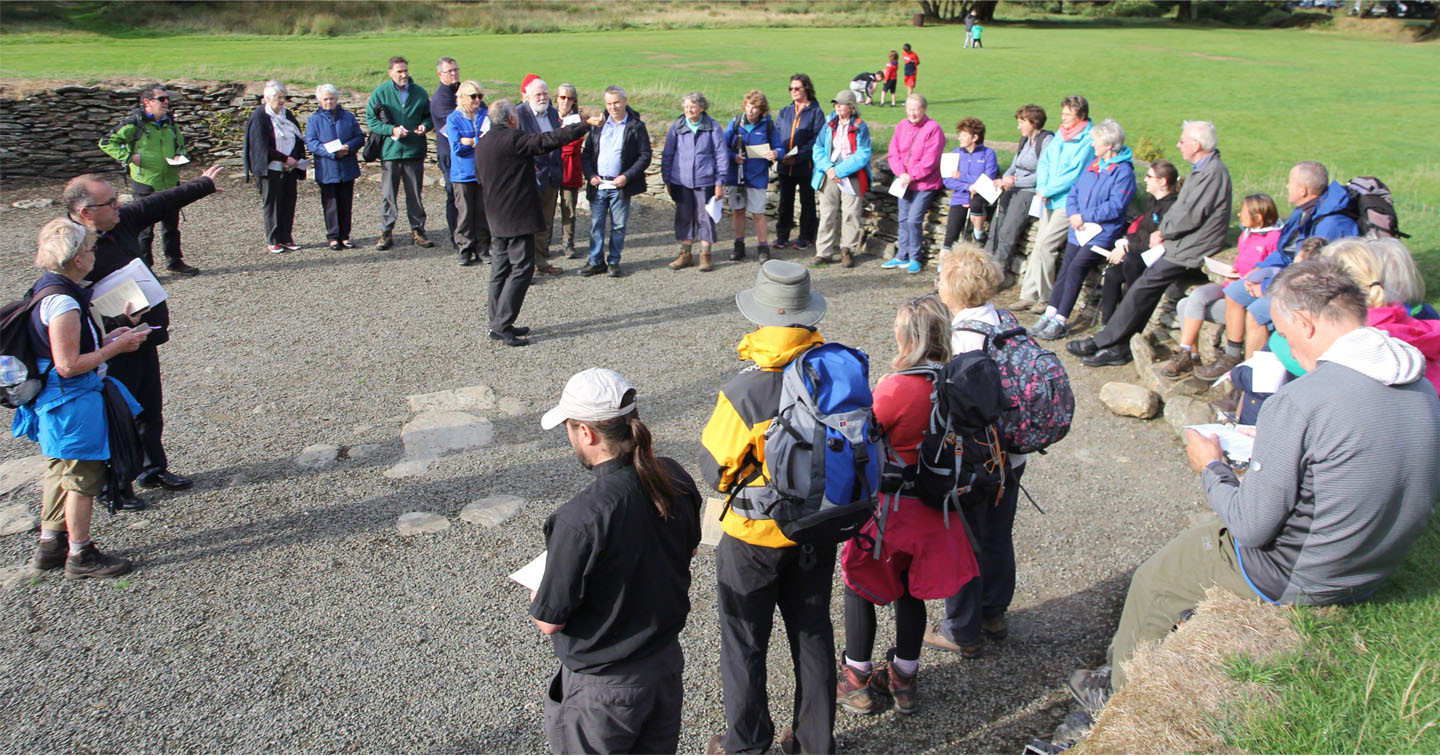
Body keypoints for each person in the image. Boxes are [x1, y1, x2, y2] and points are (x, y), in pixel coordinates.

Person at [1067, 260, 1440, 711]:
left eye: (1283, 331)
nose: (1283, 343)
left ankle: (1116, 692)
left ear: (1305, 322)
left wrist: (1212, 467)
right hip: (1374, 566)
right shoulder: (1419, 386)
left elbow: (1251, 527)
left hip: (1303, 577)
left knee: (1157, 577)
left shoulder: (1303, 400)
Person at [700, 259, 837, 755]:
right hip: (818, 526)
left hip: (754, 538)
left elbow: (715, 469)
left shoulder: (744, 390)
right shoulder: (834, 373)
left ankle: (747, 744)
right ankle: (815, 743)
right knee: (813, 633)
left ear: (760, 320)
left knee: (744, 641)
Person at [532, 368, 702, 754]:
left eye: (570, 428)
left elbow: (549, 621)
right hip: (663, 664)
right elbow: (689, 547)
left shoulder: (579, 519)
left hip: (604, 688)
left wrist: (537, 589)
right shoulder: (673, 476)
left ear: (587, 433)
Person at [836, 294, 981, 717]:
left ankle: (856, 679)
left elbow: (865, 432)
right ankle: (904, 678)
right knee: (911, 592)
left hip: (893, 511)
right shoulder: (956, 383)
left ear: (908, 336)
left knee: (858, 582)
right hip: (938, 512)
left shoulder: (899, 387)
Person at [63, 167, 224, 505]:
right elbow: (66, 309)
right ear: (86, 213)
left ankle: (152, 468)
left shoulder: (118, 223)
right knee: (114, 414)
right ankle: (114, 484)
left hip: (141, 337)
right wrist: (114, 324)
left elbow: (161, 201)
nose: (119, 205)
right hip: (108, 349)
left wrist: (204, 185)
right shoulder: (69, 250)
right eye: (110, 202)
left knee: (149, 408)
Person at [15, 219, 149, 579]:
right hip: (72, 404)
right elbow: (69, 365)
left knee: (60, 471)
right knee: (83, 479)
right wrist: (118, 347)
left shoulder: (49, 288)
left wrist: (108, 338)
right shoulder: (63, 304)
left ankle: (50, 544)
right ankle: (80, 555)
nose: (94, 254)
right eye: (89, 249)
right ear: (76, 259)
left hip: (59, 402)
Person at [924, 245, 1030, 660]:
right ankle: (993, 612)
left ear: (952, 287)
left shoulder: (963, 337)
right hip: (1012, 454)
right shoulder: (1004, 321)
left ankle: (960, 629)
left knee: (965, 540)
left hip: (978, 460)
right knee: (998, 534)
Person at [1068, 120, 1231, 367]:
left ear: (1196, 145)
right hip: (1180, 243)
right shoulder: (1202, 170)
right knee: (1141, 287)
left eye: (1183, 141)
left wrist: (1164, 232)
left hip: (1191, 247)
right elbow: (1181, 210)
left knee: (1143, 288)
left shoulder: (1212, 173)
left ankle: (1106, 342)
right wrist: (1165, 230)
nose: (1179, 145)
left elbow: (1189, 215)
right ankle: (1117, 346)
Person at [1196, 161, 1360, 380]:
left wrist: (1266, 286)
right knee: (1234, 293)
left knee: (1257, 313)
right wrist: (1260, 269)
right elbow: (1285, 250)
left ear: (1303, 190)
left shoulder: (1329, 223)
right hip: (1286, 275)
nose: (1286, 187)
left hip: (1309, 290)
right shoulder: (1303, 211)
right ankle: (1232, 356)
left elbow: (1314, 273)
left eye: (1290, 183)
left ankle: (1252, 374)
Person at [473, 99, 597, 347]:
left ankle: (497, 322)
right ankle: (502, 324)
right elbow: (547, 141)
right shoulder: (514, 139)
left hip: (495, 216)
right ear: (510, 119)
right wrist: (584, 125)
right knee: (521, 269)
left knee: (500, 269)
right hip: (516, 218)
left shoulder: (483, 142)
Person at [1031, 118, 1135, 342]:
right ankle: (1050, 312)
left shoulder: (1123, 172)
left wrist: (1084, 216)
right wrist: (1074, 214)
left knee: (1077, 268)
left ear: (1108, 145)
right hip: (1078, 229)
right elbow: (1076, 191)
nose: (1091, 144)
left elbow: (1116, 206)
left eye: (1095, 140)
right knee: (1066, 267)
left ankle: (1061, 319)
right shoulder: (1094, 164)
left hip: (1101, 232)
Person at [1160, 193, 1280, 377]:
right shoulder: (1246, 234)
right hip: (1231, 284)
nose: (1239, 215)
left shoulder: (1274, 239)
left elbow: (1271, 272)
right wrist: (1232, 272)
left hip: (1245, 297)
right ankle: (1189, 354)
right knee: (1187, 301)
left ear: (1258, 216)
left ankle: (1186, 355)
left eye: (1243, 212)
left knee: (1189, 304)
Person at [97, 84, 199, 276]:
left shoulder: (170, 124)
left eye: (167, 98)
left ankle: (174, 263)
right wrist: (129, 158)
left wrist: (180, 156)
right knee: (145, 230)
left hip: (169, 182)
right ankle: (145, 269)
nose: (166, 102)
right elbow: (106, 142)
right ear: (147, 102)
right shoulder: (134, 124)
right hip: (146, 183)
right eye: (161, 99)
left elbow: (181, 146)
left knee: (171, 227)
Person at [1016, 95, 1094, 312]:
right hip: (1048, 198)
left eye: (1068, 114)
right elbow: (1046, 162)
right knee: (1038, 245)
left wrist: (1048, 189)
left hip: (1067, 201)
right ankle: (1028, 295)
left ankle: (1046, 297)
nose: (1064, 118)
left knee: (1046, 246)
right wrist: (1043, 187)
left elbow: (1075, 173)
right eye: (1063, 113)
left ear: (1081, 116)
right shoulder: (1061, 134)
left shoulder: (1087, 140)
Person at [1098, 160, 1183, 328]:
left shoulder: (1172, 207)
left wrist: (1127, 248)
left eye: (1149, 176)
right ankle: (1106, 325)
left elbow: (1155, 240)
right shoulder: (1152, 200)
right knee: (1112, 274)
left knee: (1131, 261)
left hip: (1152, 257)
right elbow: (1142, 230)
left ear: (1162, 181)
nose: (1145, 179)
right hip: (1136, 251)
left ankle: (1127, 319)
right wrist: (1125, 243)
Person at [579, 85, 651, 279]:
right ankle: (595, 261)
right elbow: (586, 154)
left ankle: (614, 262)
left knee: (618, 226)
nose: (613, 107)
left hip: (620, 185)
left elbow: (645, 156)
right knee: (596, 224)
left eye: (617, 102)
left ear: (625, 101)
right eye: (609, 103)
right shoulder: (599, 125)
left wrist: (627, 176)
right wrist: (591, 176)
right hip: (598, 183)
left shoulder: (636, 126)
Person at [367, 56, 434, 251]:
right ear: (390, 73)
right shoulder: (381, 93)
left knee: (415, 194)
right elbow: (371, 120)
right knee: (389, 195)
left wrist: (425, 126)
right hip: (391, 152)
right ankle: (386, 231)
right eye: (399, 71)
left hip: (414, 151)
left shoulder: (419, 92)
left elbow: (429, 116)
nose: (403, 74)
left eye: (405, 70)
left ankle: (418, 230)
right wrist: (392, 130)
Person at [660, 91, 728, 273]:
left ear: (702, 108)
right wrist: (667, 178)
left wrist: (719, 182)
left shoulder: (712, 127)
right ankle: (685, 255)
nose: (689, 110)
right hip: (680, 181)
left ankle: (705, 255)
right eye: (686, 106)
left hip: (705, 181)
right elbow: (668, 154)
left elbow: (721, 155)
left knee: (705, 219)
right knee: (684, 218)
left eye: (693, 106)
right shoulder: (677, 126)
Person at [987, 105, 1053, 285]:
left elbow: (1041, 174)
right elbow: (1015, 165)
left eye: (1021, 122)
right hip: (1012, 186)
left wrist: (1014, 182)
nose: (1019, 127)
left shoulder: (1046, 142)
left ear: (1033, 122)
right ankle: (983, 267)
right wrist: (1004, 178)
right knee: (996, 225)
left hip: (1028, 190)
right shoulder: (1025, 140)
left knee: (1008, 231)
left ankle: (997, 275)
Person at [883, 93, 944, 275]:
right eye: (909, 109)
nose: (912, 113)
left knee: (913, 220)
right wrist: (900, 172)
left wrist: (912, 175)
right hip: (904, 182)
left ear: (924, 109)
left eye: (916, 109)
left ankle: (915, 258)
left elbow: (931, 159)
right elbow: (893, 152)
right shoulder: (902, 126)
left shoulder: (934, 129)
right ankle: (901, 255)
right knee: (902, 219)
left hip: (924, 184)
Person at [810, 90, 872, 269]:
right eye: (836, 103)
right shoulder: (829, 123)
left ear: (851, 107)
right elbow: (818, 147)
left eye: (841, 103)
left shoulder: (861, 127)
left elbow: (863, 154)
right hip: (829, 175)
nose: (837, 106)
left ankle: (847, 250)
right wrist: (829, 169)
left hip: (851, 176)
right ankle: (823, 252)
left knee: (850, 214)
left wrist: (840, 170)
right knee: (827, 213)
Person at [243, 81, 306, 254]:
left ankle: (286, 237)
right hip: (269, 167)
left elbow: (297, 137)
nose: (282, 101)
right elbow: (260, 145)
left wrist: (292, 159)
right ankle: (273, 239)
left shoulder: (287, 114)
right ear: (268, 98)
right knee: (272, 203)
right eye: (279, 97)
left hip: (289, 167)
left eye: (283, 97)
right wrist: (284, 158)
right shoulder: (259, 117)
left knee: (288, 201)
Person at [723, 90, 782, 263]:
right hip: (736, 175)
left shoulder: (768, 126)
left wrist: (775, 153)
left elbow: (779, 147)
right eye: (749, 106)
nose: (751, 111)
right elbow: (722, 146)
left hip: (757, 175)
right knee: (738, 211)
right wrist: (733, 157)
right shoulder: (735, 123)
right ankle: (738, 246)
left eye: (755, 108)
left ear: (761, 110)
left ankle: (763, 247)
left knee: (758, 213)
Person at [304, 84, 364, 252]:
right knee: (330, 204)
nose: (329, 102)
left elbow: (359, 137)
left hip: (346, 166)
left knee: (346, 202)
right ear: (320, 101)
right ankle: (332, 237)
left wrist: (348, 147)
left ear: (337, 99)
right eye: (325, 99)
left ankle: (345, 235)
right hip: (327, 167)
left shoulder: (348, 116)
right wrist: (331, 153)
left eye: (331, 98)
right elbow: (311, 142)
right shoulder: (314, 120)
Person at [516, 75, 566, 275]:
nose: (542, 97)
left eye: (545, 93)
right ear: (527, 96)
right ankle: (524, 269)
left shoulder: (553, 114)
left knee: (545, 222)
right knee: (527, 224)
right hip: (529, 178)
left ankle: (541, 262)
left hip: (551, 176)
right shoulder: (518, 115)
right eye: (538, 94)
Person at [774, 74, 824, 252]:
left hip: (805, 165)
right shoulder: (785, 111)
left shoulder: (816, 112)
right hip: (785, 165)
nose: (793, 92)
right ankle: (782, 235)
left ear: (806, 89)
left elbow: (817, 140)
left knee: (807, 202)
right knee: (784, 201)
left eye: (797, 88)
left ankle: (805, 237)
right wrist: (781, 155)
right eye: (791, 88)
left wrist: (799, 156)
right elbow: (776, 134)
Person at [446, 80, 491, 267]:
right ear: (463, 98)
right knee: (465, 214)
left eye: (480, 96)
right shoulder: (453, 119)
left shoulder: (484, 115)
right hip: (462, 174)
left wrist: (471, 142)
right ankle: (465, 249)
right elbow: (457, 148)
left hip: (482, 172)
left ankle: (483, 248)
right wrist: (477, 141)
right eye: (473, 96)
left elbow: (490, 141)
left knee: (482, 213)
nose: (477, 100)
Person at [940, 117, 1000, 252]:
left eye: (964, 135)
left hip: (980, 198)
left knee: (977, 209)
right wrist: (968, 187)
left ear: (975, 137)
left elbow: (987, 179)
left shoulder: (989, 154)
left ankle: (979, 236)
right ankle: (942, 270)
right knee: (950, 239)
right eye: (960, 134)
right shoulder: (955, 153)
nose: (959, 138)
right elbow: (947, 180)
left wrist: (962, 176)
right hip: (959, 198)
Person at [430, 57, 461, 250]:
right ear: (440, 74)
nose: (454, 73)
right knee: (453, 195)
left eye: (455, 70)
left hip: (465, 153)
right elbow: (455, 122)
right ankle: (455, 236)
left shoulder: (462, 90)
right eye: (449, 71)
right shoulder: (441, 98)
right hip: (450, 153)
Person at [555, 83, 587, 261]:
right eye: (562, 97)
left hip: (569, 170)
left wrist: (556, 141)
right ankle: (543, 246)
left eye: (569, 98)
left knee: (569, 209)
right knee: (547, 209)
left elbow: (573, 143)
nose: (566, 101)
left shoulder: (578, 121)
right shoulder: (551, 117)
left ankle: (568, 243)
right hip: (552, 169)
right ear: (556, 98)